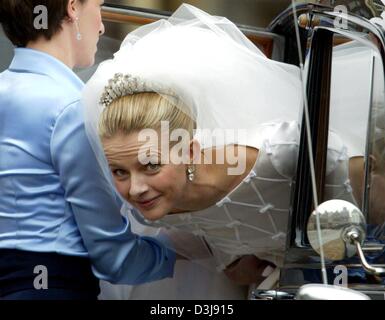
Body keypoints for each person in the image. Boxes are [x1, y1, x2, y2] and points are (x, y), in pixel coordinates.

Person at [83, 4, 361, 299]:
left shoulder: (282, 154)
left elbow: (371, 192)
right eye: (119, 171)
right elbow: (222, 245)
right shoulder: (154, 211)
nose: (136, 189)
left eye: (151, 165)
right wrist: (235, 262)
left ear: (190, 151)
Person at [0, 0, 176, 300]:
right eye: (99, 5)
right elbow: (114, 259)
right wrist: (187, 254)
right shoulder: (71, 108)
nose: (102, 25)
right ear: (72, 8)